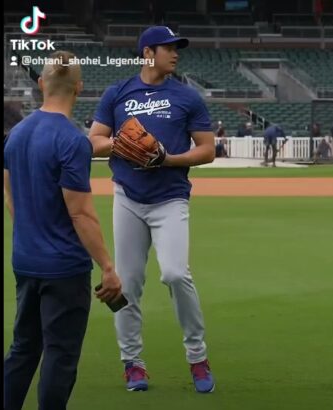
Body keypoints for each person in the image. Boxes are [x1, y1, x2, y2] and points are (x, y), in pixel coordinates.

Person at [88, 26, 217, 393]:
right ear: (148, 53)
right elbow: (94, 141)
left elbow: (207, 149)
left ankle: (197, 356)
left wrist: (168, 158)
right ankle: (133, 363)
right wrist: (121, 145)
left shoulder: (186, 97)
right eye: (169, 48)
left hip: (170, 197)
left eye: (177, 48)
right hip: (128, 196)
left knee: (176, 274)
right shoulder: (118, 93)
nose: (175, 54)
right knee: (127, 283)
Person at [3, 50, 124, 410]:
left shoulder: (16, 134)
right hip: (64, 268)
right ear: (80, 89)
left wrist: (26, 228)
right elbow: (81, 214)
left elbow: (8, 191)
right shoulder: (72, 141)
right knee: (60, 354)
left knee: (23, 349)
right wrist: (106, 266)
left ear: (42, 84)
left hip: (25, 261)